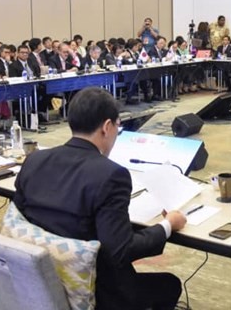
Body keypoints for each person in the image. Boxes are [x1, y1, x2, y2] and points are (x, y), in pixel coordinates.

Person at [14, 88, 185, 310]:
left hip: (37, 278)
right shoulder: (111, 175)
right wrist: (168, 225)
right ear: (107, 127)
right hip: (89, 288)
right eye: (117, 126)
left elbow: (17, 221)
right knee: (169, 284)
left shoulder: (34, 160)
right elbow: (119, 252)